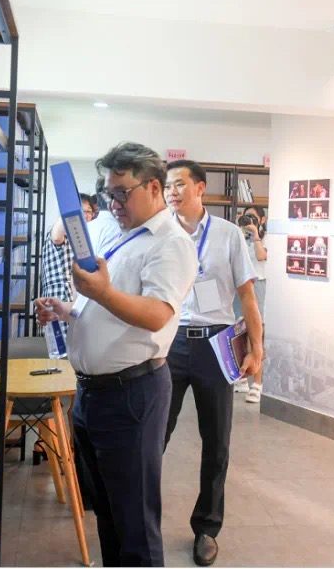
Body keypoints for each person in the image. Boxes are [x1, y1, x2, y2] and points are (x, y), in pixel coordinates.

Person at [34, 143, 197, 567]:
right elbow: (107, 308)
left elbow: (157, 314)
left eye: (123, 193)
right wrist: (68, 310)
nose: (114, 203)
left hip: (132, 395)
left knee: (134, 524)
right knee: (107, 514)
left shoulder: (171, 244)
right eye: (110, 194)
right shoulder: (123, 235)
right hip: (94, 394)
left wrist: (102, 292)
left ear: (154, 187)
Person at [163, 160, 264, 566]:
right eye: (167, 186)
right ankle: (139, 517)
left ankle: (207, 527)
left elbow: (247, 297)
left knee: (217, 441)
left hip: (215, 345)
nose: (171, 192)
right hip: (169, 342)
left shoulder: (227, 234)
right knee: (154, 434)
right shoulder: (160, 232)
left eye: (179, 184)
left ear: (200, 188)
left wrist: (256, 348)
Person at [234, 207, 268, 402]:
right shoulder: (241, 236)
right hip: (241, 286)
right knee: (239, 331)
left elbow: (261, 256)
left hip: (259, 285)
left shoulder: (267, 238)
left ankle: (257, 383)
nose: (249, 220)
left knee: (256, 335)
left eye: (253, 218)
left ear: (262, 219)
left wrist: (255, 234)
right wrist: (239, 230)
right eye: (246, 217)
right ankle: (242, 377)